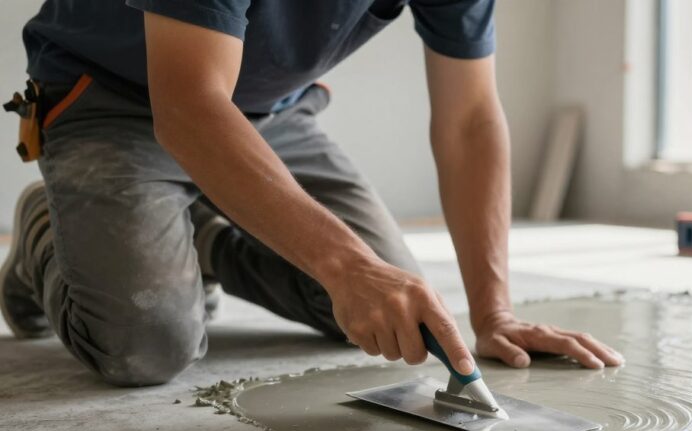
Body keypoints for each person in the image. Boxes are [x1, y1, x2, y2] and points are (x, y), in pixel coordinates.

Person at [1, 0, 623, 386]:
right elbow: (189, 106)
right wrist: (347, 264)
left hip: (267, 114)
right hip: (112, 99)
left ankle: (204, 239)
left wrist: (495, 314)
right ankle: (46, 230)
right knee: (147, 348)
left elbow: (470, 121)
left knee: (394, 315)